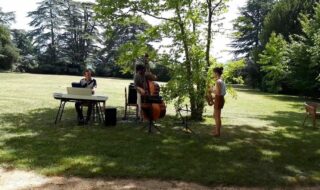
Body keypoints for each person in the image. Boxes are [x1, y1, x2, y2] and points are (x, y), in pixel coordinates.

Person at [211, 67, 226, 137]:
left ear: (216, 73)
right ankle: (216, 130)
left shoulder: (218, 81)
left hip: (219, 98)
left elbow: (218, 92)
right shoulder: (220, 80)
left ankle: (218, 133)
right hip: (219, 98)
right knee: (215, 115)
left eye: (213, 73)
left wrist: (211, 90)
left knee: (217, 117)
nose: (213, 74)